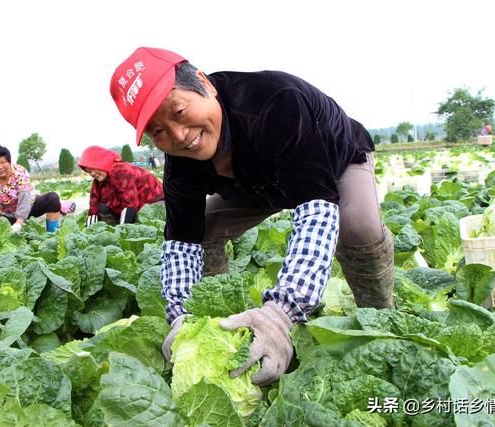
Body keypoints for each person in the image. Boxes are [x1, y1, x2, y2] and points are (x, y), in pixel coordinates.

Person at [110, 47, 395, 386]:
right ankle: (220, 328)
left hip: (334, 165)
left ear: (204, 83)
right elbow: (180, 242)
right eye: (158, 132)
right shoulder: (180, 162)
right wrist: (182, 320)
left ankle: (381, 321)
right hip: (257, 187)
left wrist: (279, 315)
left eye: (180, 111)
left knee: (357, 227)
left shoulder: (275, 104)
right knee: (202, 229)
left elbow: (317, 211)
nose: (179, 135)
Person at [78, 145, 164, 226]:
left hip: (154, 203)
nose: (92, 173)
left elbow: (130, 205)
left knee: (146, 218)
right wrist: (90, 230)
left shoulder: (121, 171)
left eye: (93, 168)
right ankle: (115, 228)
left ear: (101, 163)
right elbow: (94, 205)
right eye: (89, 171)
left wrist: (123, 232)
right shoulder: (99, 180)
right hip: (132, 208)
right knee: (101, 207)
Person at [0, 145, 62, 232]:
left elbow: (25, 197)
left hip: (29, 208)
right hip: (7, 215)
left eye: (3, 162)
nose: (0, 167)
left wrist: (18, 223)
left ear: (9, 162)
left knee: (52, 198)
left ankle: (52, 233)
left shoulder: (19, 172)